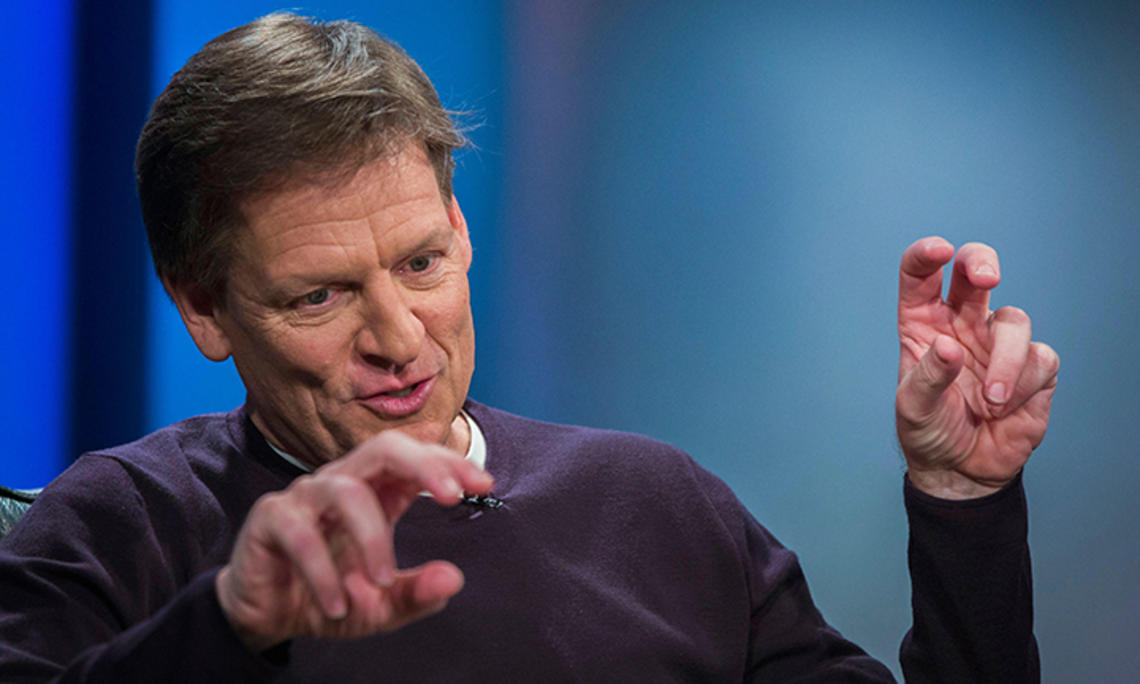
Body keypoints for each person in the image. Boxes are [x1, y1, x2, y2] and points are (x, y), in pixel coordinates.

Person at [0, 13, 1058, 683]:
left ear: (461, 231)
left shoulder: (659, 502)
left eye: (419, 263)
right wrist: (227, 629)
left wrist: (962, 502)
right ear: (203, 309)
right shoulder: (115, 527)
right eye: (320, 295)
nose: (397, 337)